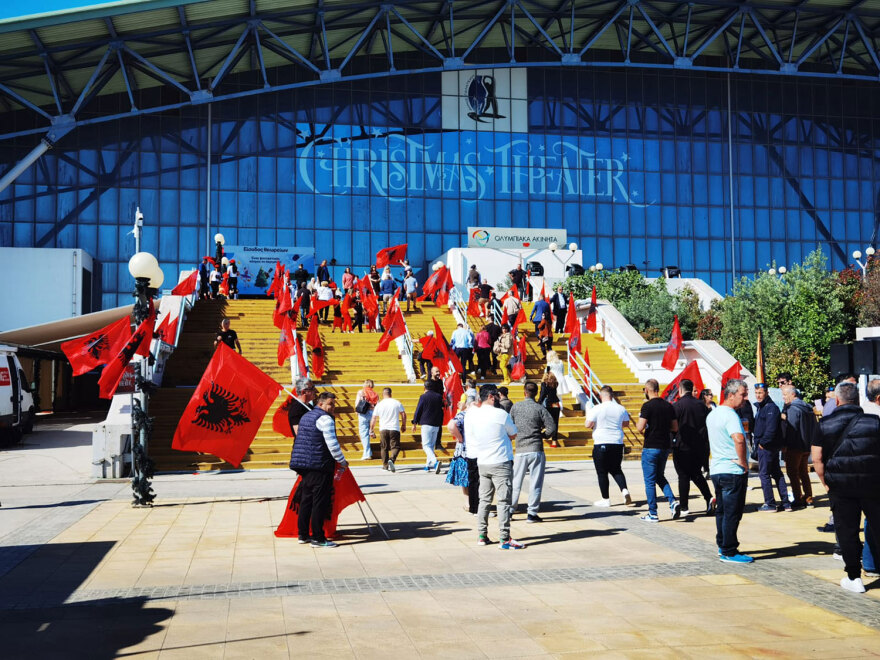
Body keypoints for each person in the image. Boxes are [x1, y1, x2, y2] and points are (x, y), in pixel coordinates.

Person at [812, 381, 880, 593]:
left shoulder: (824, 424)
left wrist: (825, 483)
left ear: (837, 400)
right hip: (872, 483)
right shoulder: (874, 422)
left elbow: (817, 458)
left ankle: (854, 577)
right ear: (857, 400)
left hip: (840, 486)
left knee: (847, 531)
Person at [464, 385, 525, 549]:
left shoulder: (474, 414)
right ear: (491, 397)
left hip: (483, 461)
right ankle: (504, 538)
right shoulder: (500, 414)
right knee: (503, 500)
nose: (499, 398)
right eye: (497, 395)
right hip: (500, 461)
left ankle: (482, 535)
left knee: (484, 500)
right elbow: (513, 433)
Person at [288, 392, 348, 548]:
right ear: (321, 404)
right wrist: (342, 461)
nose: (333, 407)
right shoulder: (325, 419)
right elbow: (332, 444)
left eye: (334, 404)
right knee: (319, 502)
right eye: (330, 404)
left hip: (304, 464)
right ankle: (318, 538)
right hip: (319, 464)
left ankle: (303, 534)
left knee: (306, 500)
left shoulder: (306, 416)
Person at [708, 378, 753, 563]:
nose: (745, 398)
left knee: (722, 511)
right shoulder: (730, 415)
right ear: (731, 395)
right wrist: (743, 463)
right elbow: (739, 439)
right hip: (732, 470)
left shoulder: (713, 414)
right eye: (743, 394)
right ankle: (729, 550)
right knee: (732, 512)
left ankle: (722, 545)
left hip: (717, 469)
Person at [510, 381, 556, 523]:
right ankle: (532, 513)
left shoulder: (516, 407)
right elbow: (552, 427)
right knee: (535, 482)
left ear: (524, 392)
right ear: (536, 393)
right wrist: (543, 435)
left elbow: (509, 425)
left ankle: (510, 509)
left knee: (516, 481)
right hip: (536, 448)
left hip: (520, 449)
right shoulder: (539, 408)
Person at [636, 379, 679, 522]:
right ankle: (672, 501)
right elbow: (675, 427)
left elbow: (640, 427)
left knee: (649, 481)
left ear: (646, 390)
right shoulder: (668, 405)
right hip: (664, 446)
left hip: (651, 446)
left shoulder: (647, 406)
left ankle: (653, 513)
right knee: (660, 476)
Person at [672, 379, 714, 516]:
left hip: (682, 445)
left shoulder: (678, 405)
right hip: (699, 445)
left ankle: (684, 506)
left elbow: (673, 426)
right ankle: (708, 497)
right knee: (696, 473)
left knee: (683, 475)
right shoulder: (701, 405)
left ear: (680, 389)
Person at [586, 385, 633, 506]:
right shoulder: (620, 408)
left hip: (601, 442)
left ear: (601, 396)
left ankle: (605, 499)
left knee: (602, 472)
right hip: (617, 442)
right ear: (612, 395)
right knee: (616, 469)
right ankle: (624, 490)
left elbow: (588, 424)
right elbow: (626, 423)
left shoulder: (597, 408)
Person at [753, 383, 790, 512]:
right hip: (769, 446)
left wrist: (762, 443)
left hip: (767, 447)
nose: (758, 395)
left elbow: (771, 429)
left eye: (760, 393)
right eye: (756, 393)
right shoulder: (762, 407)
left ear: (766, 393)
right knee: (776, 473)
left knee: (764, 474)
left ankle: (770, 503)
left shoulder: (771, 408)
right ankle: (786, 503)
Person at [780, 384, 818, 508]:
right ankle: (809, 498)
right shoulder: (808, 407)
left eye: (785, 394)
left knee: (792, 473)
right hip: (806, 445)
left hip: (794, 446)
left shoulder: (792, 409)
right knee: (803, 473)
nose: (783, 397)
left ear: (793, 394)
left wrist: (785, 444)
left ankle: (798, 498)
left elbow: (791, 429)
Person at [448, 399, 479, 514]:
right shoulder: (465, 414)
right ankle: (470, 502)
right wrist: (460, 437)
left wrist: (460, 437)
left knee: (467, 478)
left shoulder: (464, 414)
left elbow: (452, 425)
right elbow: (451, 425)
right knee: (468, 478)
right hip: (467, 451)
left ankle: (469, 502)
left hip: (465, 450)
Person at [370, 387, 406, 472]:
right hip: (394, 428)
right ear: (391, 394)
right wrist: (403, 425)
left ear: (383, 394)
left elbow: (374, 418)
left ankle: (385, 466)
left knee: (384, 447)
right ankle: (392, 459)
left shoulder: (379, 404)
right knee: (396, 446)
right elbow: (403, 414)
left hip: (383, 429)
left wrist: (371, 429)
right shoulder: (396, 402)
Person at [412, 380, 444, 473]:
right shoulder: (439, 396)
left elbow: (418, 410)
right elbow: (441, 410)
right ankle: (427, 465)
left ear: (424, 387)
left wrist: (414, 422)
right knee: (431, 445)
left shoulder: (423, 397)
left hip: (426, 423)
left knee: (426, 445)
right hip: (436, 424)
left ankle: (435, 462)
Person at [355, 379, 378, 460]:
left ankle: (367, 454)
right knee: (368, 432)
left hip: (363, 413)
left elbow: (357, 403)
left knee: (364, 434)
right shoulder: (375, 394)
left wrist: (357, 411)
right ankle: (368, 452)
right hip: (372, 413)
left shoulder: (361, 392)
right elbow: (377, 405)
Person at [538, 371, 561, 448]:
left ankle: (541, 435)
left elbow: (542, 394)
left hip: (548, 404)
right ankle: (554, 442)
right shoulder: (555, 383)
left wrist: (538, 403)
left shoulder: (544, 384)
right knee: (555, 423)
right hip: (556, 404)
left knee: (543, 420)